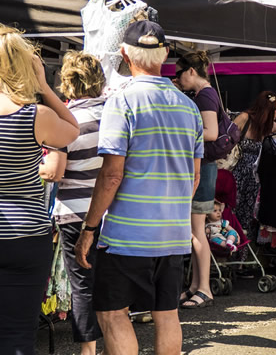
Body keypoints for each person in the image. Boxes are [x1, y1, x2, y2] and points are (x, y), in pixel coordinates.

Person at [74, 20, 203, 354]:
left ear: (123, 54)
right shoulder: (190, 108)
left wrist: (89, 228)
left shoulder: (122, 101)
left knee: (113, 313)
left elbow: (112, 175)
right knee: (167, 314)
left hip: (126, 237)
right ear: (165, 55)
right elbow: (194, 177)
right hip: (172, 234)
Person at [0, 23, 80, 355]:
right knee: (19, 335)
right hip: (25, 235)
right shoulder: (36, 115)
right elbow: (72, 131)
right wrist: (44, 86)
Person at [40, 51, 105, 355]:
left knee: (82, 285)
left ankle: (88, 351)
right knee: (109, 282)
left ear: (67, 82)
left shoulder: (67, 121)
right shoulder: (114, 115)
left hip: (75, 212)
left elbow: (54, 171)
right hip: (112, 211)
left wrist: (28, 162)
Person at [174, 51, 220, 309]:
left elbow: (210, 132)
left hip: (202, 168)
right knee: (195, 231)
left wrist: (179, 131)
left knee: (196, 231)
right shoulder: (204, 94)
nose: (177, 79)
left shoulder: (204, 95)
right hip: (202, 166)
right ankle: (195, 285)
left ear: (192, 71)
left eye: (179, 73)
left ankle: (204, 288)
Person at [232, 91, 276, 232]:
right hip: (237, 172)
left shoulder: (270, 126)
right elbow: (226, 139)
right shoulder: (244, 118)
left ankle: (243, 249)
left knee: (248, 214)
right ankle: (227, 247)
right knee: (231, 209)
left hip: (255, 177)